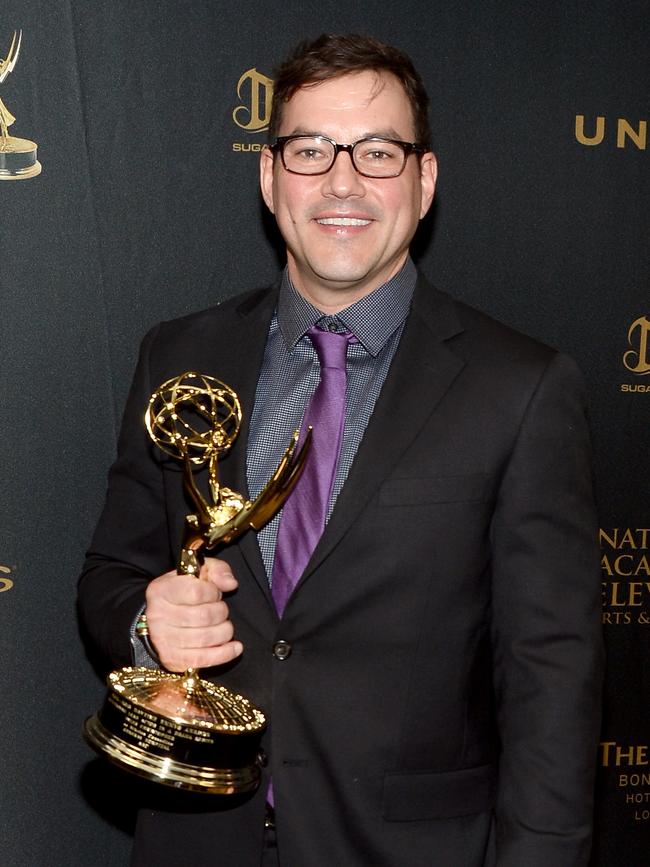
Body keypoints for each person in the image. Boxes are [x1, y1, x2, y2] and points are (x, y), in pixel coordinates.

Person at [78, 33, 604, 867]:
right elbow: (110, 572)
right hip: (196, 841)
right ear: (268, 176)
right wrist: (150, 623)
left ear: (424, 182)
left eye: (379, 151)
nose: (342, 181)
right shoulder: (177, 358)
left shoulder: (522, 388)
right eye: (311, 149)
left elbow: (551, 677)